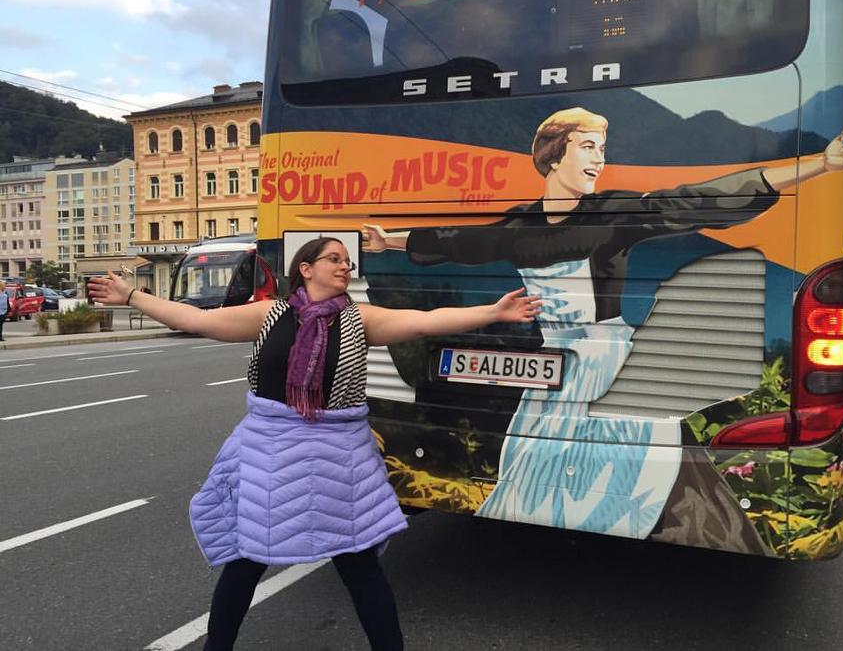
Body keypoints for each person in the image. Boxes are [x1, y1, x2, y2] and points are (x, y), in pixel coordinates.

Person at [362, 106, 843, 546]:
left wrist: (818, 164)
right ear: (555, 156)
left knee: (622, 482)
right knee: (536, 477)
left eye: (602, 148)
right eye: (587, 147)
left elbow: (699, 199)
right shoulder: (520, 224)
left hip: (610, 370)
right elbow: (459, 241)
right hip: (555, 369)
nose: (598, 159)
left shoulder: (615, 214)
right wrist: (389, 242)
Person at [87, 237, 541, 651]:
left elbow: (424, 322)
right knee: (248, 560)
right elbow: (199, 320)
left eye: (348, 261)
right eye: (334, 259)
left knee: (358, 563)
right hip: (270, 451)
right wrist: (132, 295)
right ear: (305, 268)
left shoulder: (358, 318)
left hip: (337, 457)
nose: (345, 266)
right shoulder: (270, 313)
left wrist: (492, 312)